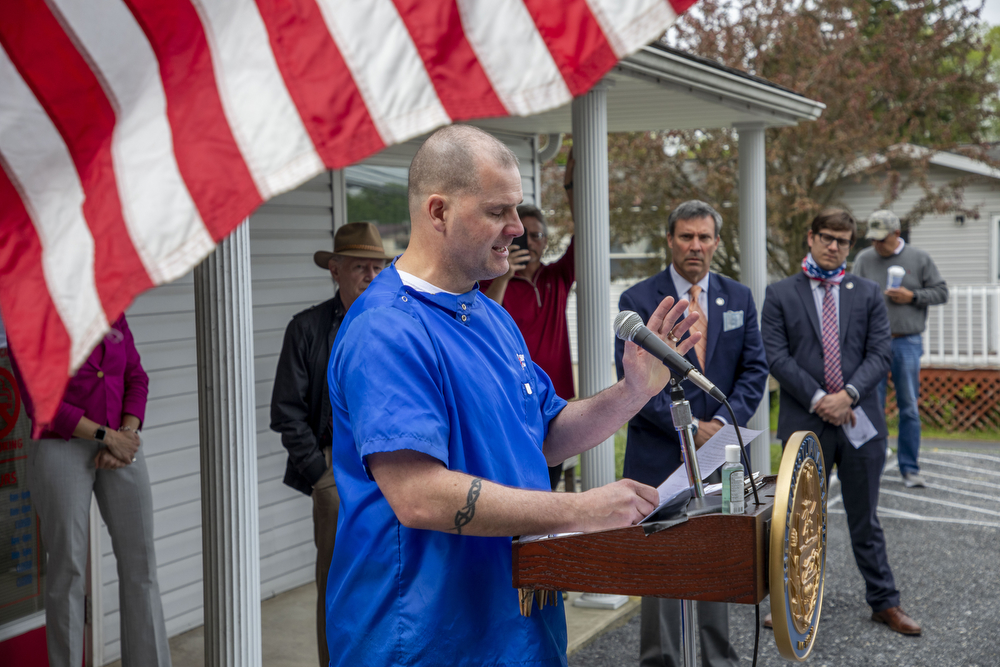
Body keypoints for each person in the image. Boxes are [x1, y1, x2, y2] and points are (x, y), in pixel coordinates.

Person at [325, 124, 700, 667]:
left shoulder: (492, 317)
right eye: (498, 211)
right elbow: (419, 496)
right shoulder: (386, 329)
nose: (518, 229)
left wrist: (632, 391)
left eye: (518, 210)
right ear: (438, 212)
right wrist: (582, 509)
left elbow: (542, 436)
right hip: (425, 638)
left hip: (517, 626)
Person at [614, 200, 768, 667]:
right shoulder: (638, 300)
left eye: (704, 237)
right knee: (660, 570)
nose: (695, 246)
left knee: (714, 560)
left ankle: (717, 660)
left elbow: (754, 369)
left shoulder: (737, 297)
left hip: (721, 456)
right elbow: (631, 384)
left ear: (717, 242)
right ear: (670, 240)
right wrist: (690, 429)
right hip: (658, 456)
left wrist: (720, 425)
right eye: (686, 236)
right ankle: (660, 660)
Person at [761, 209, 922, 636]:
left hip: (859, 420)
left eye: (844, 241)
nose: (835, 246)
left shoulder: (868, 292)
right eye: (828, 237)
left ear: (852, 245)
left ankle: (884, 603)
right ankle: (791, 602)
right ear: (810, 238)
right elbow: (776, 357)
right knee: (799, 520)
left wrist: (847, 395)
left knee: (864, 519)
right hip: (805, 421)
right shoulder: (780, 293)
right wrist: (820, 400)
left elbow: (880, 353)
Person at [9, 314, 172, 666]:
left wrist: (127, 435)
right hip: (60, 446)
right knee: (68, 569)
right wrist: (108, 436)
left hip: (121, 444)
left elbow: (135, 376)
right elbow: (42, 401)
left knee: (141, 563)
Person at [269, 222, 390, 667]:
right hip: (335, 465)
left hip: (396, 459)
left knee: (396, 571)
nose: (372, 276)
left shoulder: (397, 322)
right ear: (335, 270)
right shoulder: (306, 329)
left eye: (378, 267)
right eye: (361, 267)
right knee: (338, 577)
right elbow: (286, 412)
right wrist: (321, 476)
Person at [482, 152, 576, 489]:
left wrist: (570, 186)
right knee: (517, 486)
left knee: (550, 485)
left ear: (546, 241)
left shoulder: (557, 278)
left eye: (537, 236)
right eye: (524, 236)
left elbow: (586, 231)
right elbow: (484, 316)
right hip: (512, 402)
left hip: (557, 401)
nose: (531, 242)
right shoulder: (490, 280)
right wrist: (506, 276)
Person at [853, 210, 947, 488]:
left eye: (882, 239)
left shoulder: (919, 259)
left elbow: (942, 292)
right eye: (873, 239)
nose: (876, 245)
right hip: (873, 343)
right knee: (872, 407)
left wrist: (913, 296)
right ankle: (874, 463)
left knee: (908, 408)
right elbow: (852, 293)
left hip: (907, 341)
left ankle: (909, 468)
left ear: (897, 234)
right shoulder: (864, 259)